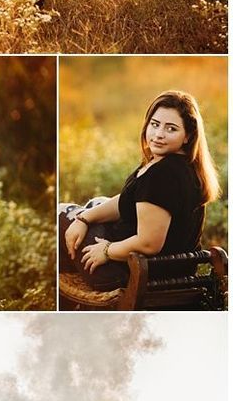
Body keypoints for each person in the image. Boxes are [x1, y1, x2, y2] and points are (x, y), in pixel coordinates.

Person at [60, 90, 220, 292]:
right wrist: (84, 219)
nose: (159, 134)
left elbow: (148, 244)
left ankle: (67, 300)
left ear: (188, 135)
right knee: (94, 205)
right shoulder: (181, 165)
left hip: (133, 276)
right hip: (166, 270)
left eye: (171, 129)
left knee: (61, 215)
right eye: (155, 124)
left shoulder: (162, 175)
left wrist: (107, 251)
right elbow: (127, 201)